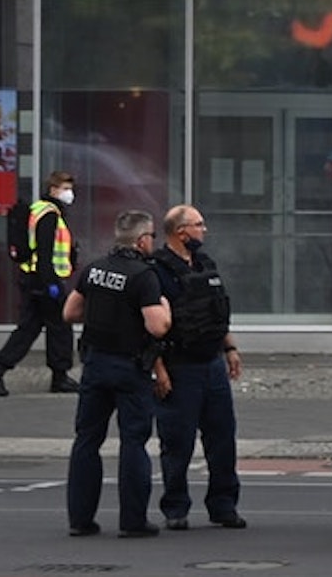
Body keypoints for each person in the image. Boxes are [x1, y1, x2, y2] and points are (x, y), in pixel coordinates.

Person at [63, 209, 171, 538]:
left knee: (86, 440)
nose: (154, 241)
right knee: (133, 442)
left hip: (95, 364)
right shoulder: (143, 275)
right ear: (141, 240)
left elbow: (70, 312)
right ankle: (133, 520)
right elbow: (157, 326)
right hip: (129, 366)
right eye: (152, 236)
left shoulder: (95, 269)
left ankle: (80, 519)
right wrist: (165, 308)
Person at [147, 205, 246, 531]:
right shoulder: (157, 270)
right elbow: (147, 327)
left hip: (212, 363)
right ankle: (176, 507)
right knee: (177, 443)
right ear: (180, 232)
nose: (204, 230)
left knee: (222, 439)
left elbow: (220, 312)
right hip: (179, 366)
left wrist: (230, 348)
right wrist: (158, 369)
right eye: (198, 225)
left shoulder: (206, 264)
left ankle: (223, 506)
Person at [0, 171, 80, 396]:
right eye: (65, 188)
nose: (69, 193)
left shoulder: (38, 209)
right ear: (53, 189)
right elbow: (44, 252)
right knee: (60, 328)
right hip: (45, 279)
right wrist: (51, 285)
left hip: (32, 278)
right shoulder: (49, 215)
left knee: (28, 328)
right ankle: (60, 377)